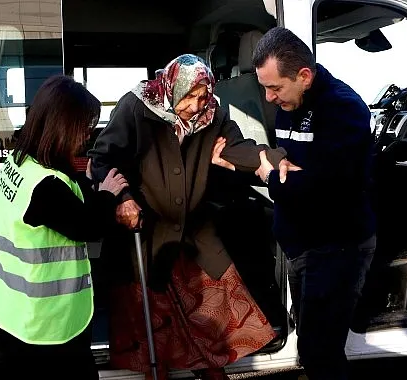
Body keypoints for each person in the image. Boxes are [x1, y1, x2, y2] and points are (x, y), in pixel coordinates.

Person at [87, 54, 294, 380]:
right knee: (156, 338)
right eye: (190, 97)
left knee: (212, 327)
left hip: (194, 234)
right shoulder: (136, 108)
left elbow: (236, 147)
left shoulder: (214, 113)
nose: (198, 105)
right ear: (172, 88)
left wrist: (269, 160)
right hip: (148, 236)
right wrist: (123, 199)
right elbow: (102, 159)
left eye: (203, 96)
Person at [0, 75, 128, 378]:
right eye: (84, 127)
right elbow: (85, 226)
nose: (87, 136)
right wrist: (107, 194)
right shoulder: (45, 186)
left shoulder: (20, 162)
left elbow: (64, 208)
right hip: (46, 329)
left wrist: (85, 183)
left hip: (11, 315)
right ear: (62, 125)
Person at [251, 27, 377, 380]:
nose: (270, 97)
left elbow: (324, 188)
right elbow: (293, 167)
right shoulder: (292, 101)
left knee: (320, 352)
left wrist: (270, 175)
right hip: (301, 243)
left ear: (304, 76)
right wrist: (285, 170)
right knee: (311, 346)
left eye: (275, 88)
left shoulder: (343, 109)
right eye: (265, 87)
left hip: (336, 247)